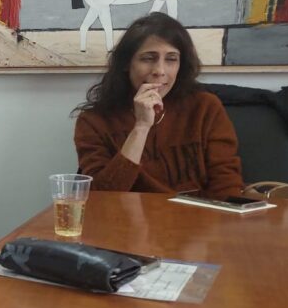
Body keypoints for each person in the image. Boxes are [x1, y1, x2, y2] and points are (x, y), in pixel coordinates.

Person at [72, 12, 243, 199]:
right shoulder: (93, 121)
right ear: (126, 64)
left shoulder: (205, 108)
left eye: (171, 59)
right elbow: (101, 197)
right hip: (125, 216)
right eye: (148, 58)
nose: (160, 71)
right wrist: (141, 127)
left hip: (198, 215)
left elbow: (226, 187)